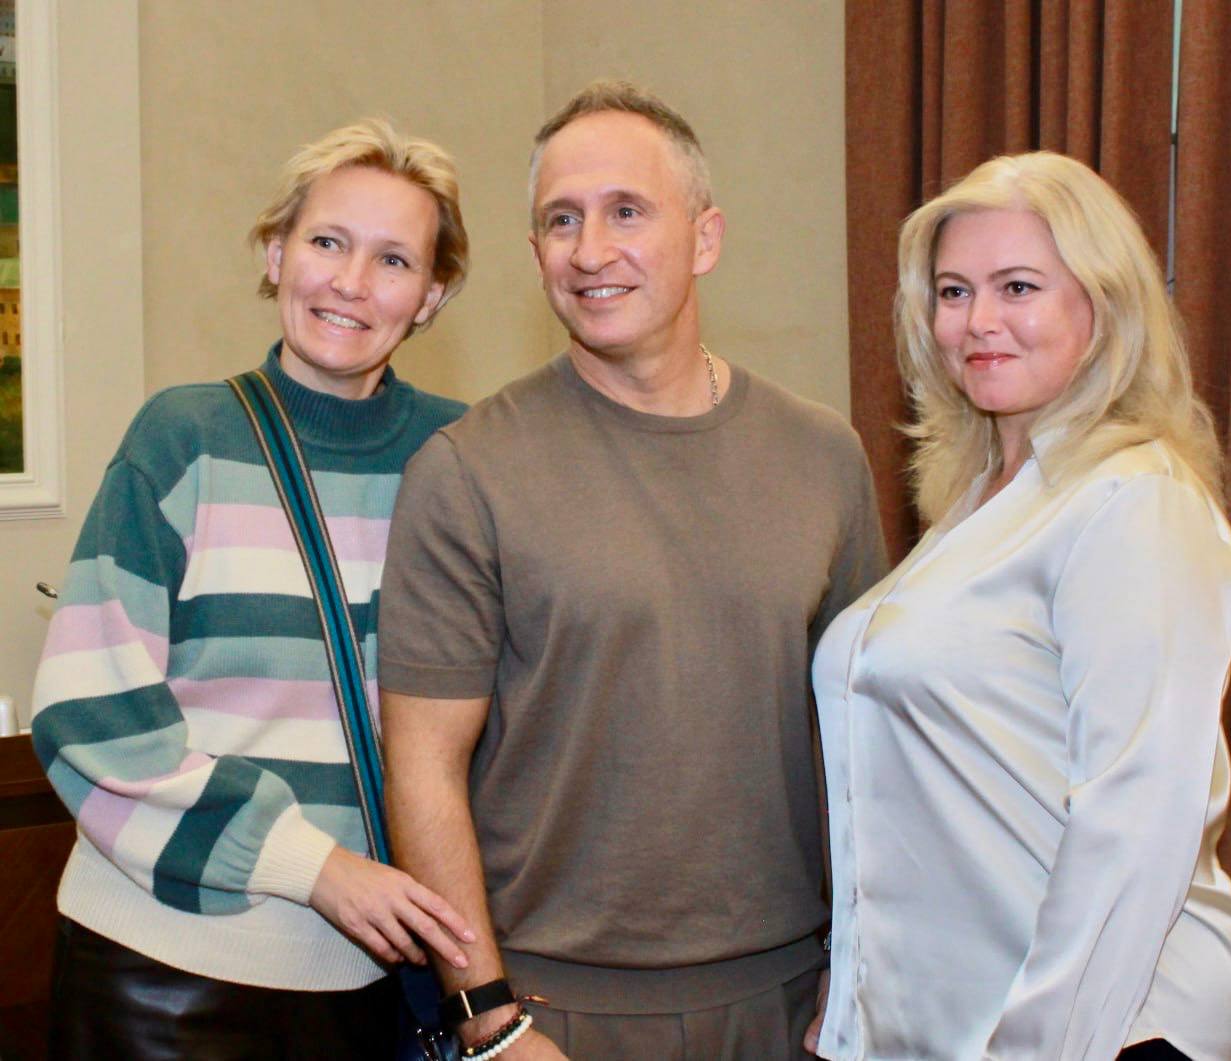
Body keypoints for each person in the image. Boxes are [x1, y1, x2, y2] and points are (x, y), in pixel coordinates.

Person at [378, 80, 887, 1060]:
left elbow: (866, 743)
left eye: (625, 211)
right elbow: (423, 765)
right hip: (551, 1010)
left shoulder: (824, 455)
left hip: (790, 1002)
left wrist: (861, 960)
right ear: (535, 251)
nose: (589, 249)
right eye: (560, 220)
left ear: (704, 238)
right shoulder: (467, 471)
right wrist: (487, 1016)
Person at [31, 118, 477, 1059]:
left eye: (394, 259)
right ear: (276, 254)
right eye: (327, 241)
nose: (351, 281)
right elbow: (89, 712)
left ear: (432, 296)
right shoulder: (183, 438)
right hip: (162, 972)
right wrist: (314, 867)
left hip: (374, 988)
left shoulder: (463, 457)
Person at [809, 151, 1231, 1060]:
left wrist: (1039, 1047)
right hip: (954, 1021)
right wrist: (851, 1003)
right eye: (953, 292)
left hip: (1108, 1028)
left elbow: (1135, 824)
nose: (978, 320)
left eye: (1018, 286)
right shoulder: (980, 501)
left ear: (1105, 306)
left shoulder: (1135, 499)